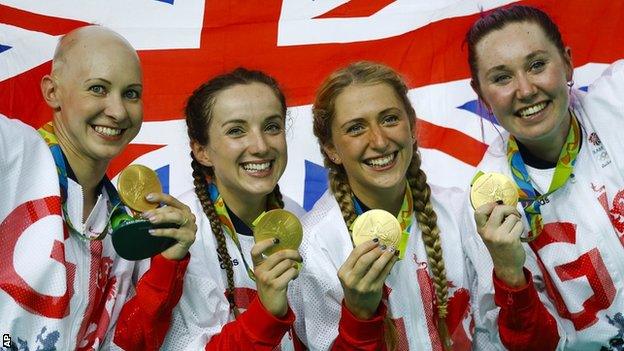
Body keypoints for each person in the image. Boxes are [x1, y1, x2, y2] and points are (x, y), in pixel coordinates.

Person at [0, 25, 196, 351]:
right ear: (52, 92)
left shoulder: (123, 220)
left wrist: (167, 262)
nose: (118, 111)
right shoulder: (13, 152)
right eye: (98, 89)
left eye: (131, 94)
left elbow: (128, 343)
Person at [464, 5, 624, 350]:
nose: (525, 90)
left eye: (537, 64)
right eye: (502, 77)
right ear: (482, 96)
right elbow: (535, 345)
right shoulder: (487, 205)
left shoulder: (619, 103)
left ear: (567, 62)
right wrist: (509, 275)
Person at [291, 61, 474, 350]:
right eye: (355, 128)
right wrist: (360, 316)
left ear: (412, 127)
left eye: (389, 119)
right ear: (330, 149)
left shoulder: (460, 211)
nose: (378, 141)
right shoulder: (315, 245)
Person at [162, 68, 305, 350]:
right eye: (236, 131)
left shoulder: (299, 217)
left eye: (272, 126)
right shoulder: (179, 235)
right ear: (202, 151)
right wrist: (265, 314)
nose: (261, 146)